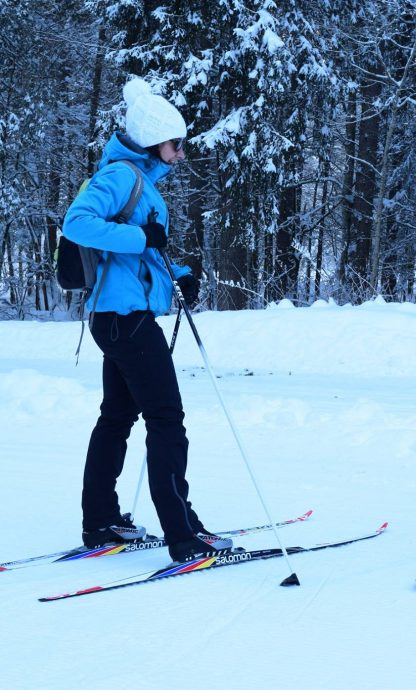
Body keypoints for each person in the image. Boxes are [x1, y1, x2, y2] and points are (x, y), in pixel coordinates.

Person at [62, 78, 231, 563]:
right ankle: (184, 536)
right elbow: (77, 223)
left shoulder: (141, 184)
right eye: (176, 143)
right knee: (166, 420)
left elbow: (139, 253)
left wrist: (178, 275)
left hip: (117, 318)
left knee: (116, 418)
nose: (180, 154)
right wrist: (142, 240)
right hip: (125, 320)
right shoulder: (120, 177)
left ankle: (101, 524)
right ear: (155, 139)